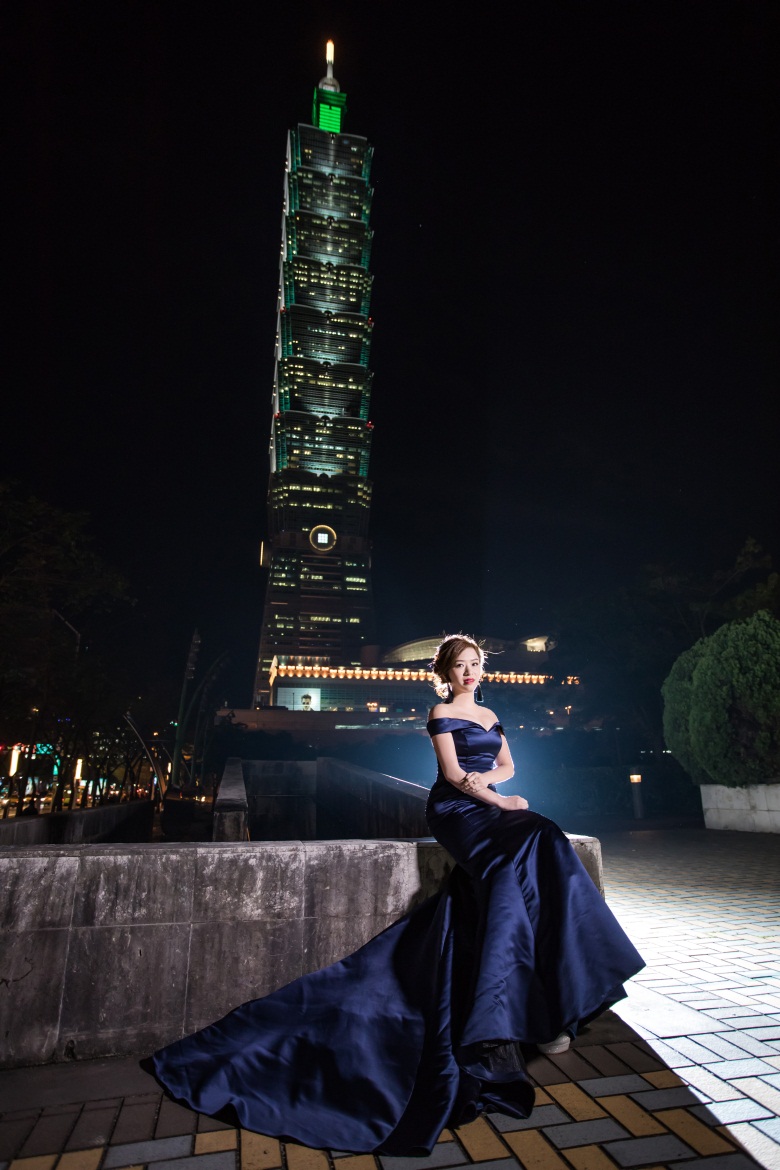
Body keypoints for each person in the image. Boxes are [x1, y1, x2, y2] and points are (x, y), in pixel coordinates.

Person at [150, 634, 644, 1154]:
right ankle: (512, 1023)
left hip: (490, 801)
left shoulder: (489, 712)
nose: (470, 672)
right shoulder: (441, 712)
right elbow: (453, 775)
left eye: (475, 664)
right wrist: (500, 802)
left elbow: (509, 765)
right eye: (461, 666)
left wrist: (500, 789)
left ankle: (552, 1001)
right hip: (456, 811)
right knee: (505, 868)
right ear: (446, 672)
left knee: (545, 838)